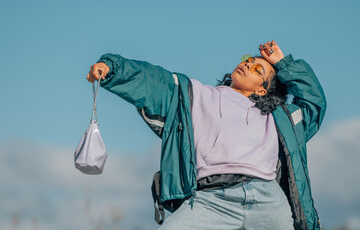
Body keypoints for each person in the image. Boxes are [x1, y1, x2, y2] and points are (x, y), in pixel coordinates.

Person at [87, 40, 326, 230]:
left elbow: (314, 103)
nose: (247, 65)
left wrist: (283, 64)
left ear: (262, 89)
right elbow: (153, 81)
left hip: (267, 198)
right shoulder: (196, 94)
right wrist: (113, 69)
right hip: (211, 199)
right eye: (247, 60)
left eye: (257, 68)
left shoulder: (279, 119)